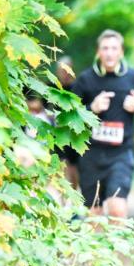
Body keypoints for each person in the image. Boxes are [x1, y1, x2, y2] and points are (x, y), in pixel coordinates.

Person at [70, 30, 134, 219]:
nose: (109, 53)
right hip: (91, 154)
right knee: (93, 214)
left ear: (121, 52)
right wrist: (92, 108)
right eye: (105, 48)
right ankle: (94, 249)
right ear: (98, 52)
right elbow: (70, 115)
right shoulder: (85, 79)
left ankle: (118, 250)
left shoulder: (133, 76)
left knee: (117, 209)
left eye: (114, 48)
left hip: (121, 153)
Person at [53, 56, 80, 191]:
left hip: (74, 133)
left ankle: (74, 197)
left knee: (73, 166)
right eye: (61, 70)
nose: (63, 73)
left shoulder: (78, 87)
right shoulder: (52, 87)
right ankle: (63, 200)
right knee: (61, 165)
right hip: (58, 133)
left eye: (66, 70)